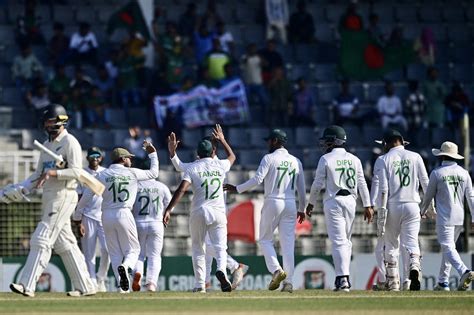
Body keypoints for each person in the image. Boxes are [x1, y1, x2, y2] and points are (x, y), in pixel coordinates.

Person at [0, 104, 96, 297]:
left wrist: (54, 172)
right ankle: (86, 286)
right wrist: (22, 188)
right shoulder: (47, 145)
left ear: (61, 121)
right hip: (49, 198)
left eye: (50, 120)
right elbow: (38, 175)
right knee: (65, 244)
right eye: (46, 121)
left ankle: (27, 285)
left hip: (64, 196)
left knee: (41, 238)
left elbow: (78, 172)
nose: (46, 124)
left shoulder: (70, 142)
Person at [225, 129, 306, 293]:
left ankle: (276, 270)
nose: (268, 143)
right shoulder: (296, 161)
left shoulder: (269, 158)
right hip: (291, 203)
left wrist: (237, 188)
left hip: (273, 201)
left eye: (269, 140)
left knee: (264, 239)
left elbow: (257, 180)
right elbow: (302, 188)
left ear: (276, 141)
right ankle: (288, 282)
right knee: (288, 246)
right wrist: (302, 208)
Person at [167, 131, 249, 291]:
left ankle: (201, 284)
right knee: (219, 247)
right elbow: (232, 156)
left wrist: (172, 152)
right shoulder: (220, 165)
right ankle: (223, 270)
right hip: (218, 211)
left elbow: (180, 174)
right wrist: (224, 140)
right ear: (213, 151)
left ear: (198, 153)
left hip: (199, 210)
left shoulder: (193, 167)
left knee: (199, 248)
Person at [83, 142, 159, 293]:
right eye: (129, 158)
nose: (131, 160)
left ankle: (122, 288)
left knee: (114, 252)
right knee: (134, 250)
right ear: (123, 159)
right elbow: (154, 173)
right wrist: (153, 154)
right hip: (124, 213)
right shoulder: (132, 172)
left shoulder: (101, 175)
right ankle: (126, 267)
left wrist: (78, 215)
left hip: (106, 215)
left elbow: (87, 195)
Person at [306, 125, 373, 292]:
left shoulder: (326, 159)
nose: (324, 144)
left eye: (326, 141)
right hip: (351, 201)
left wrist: (310, 203)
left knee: (338, 242)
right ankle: (343, 278)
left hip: (334, 201)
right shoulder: (354, 159)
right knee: (346, 242)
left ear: (332, 141)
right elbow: (362, 183)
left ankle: (343, 279)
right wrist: (368, 205)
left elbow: (317, 184)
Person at [374, 129, 430, 291]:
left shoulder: (383, 159)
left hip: (393, 205)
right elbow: (425, 183)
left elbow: (383, 189)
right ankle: (414, 267)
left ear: (388, 143)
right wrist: (428, 207)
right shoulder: (416, 156)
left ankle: (394, 284)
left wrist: (382, 211)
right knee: (411, 242)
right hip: (413, 205)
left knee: (391, 245)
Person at [420, 141, 474, 291]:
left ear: (442, 155)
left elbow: (428, 195)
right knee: (449, 249)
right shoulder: (464, 173)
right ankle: (443, 282)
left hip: (445, 217)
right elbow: (471, 197)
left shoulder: (437, 173)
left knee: (447, 247)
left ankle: (464, 271)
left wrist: (422, 210)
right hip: (459, 217)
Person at [72, 147, 110, 293]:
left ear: (101, 158)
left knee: (107, 249)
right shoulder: (82, 173)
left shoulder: (106, 172)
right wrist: (79, 220)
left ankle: (101, 278)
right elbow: (79, 198)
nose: (95, 158)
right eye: (92, 155)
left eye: (97, 156)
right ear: (87, 158)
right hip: (87, 216)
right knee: (89, 253)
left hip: (104, 215)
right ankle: (92, 281)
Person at [131, 178, 172, 292]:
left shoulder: (135, 186)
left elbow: (128, 204)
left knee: (139, 255)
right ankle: (151, 284)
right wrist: (165, 213)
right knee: (154, 255)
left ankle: (138, 273)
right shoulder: (162, 186)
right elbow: (170, 204)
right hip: (156, 223)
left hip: (138, 222)